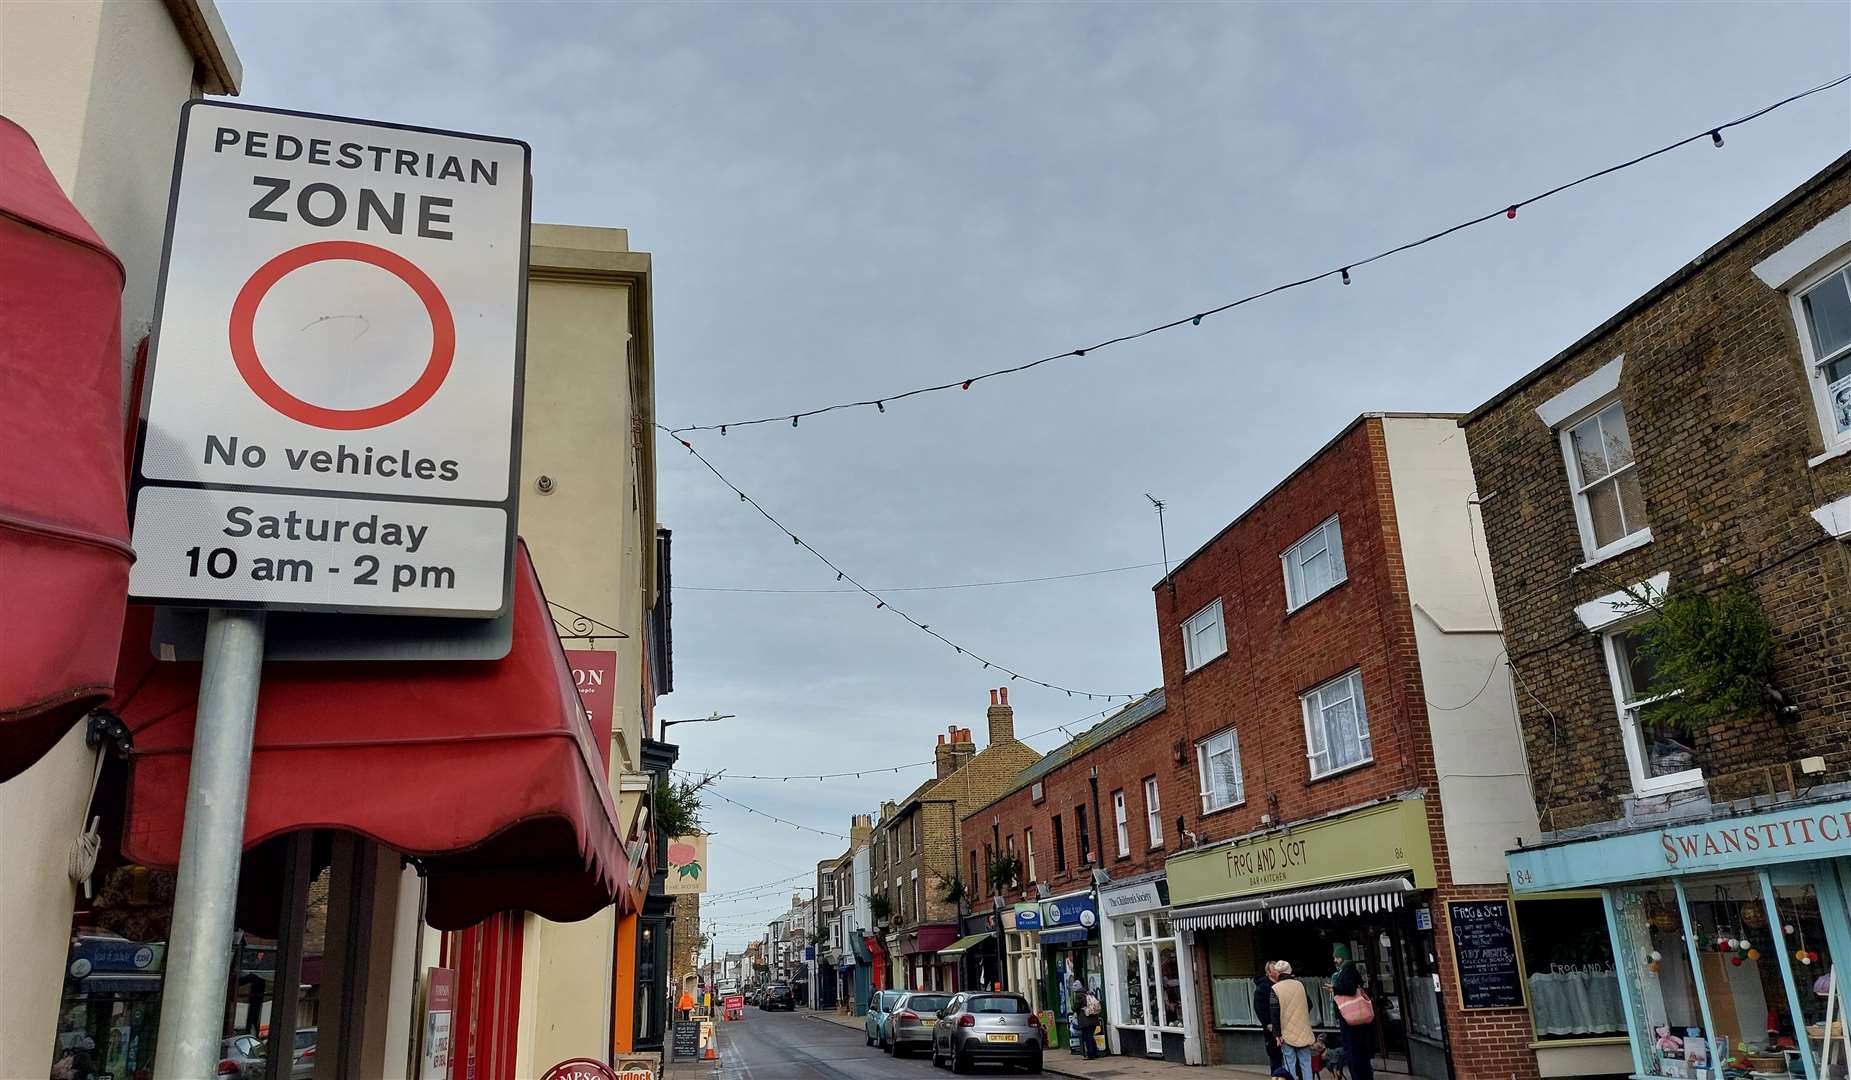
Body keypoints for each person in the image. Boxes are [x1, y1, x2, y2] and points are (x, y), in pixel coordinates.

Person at [1331, 945, 1375, 1080]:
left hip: (1351, 1017)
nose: (1334, 960)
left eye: (1336, 957)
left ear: (1342, 957)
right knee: (1358, 1050)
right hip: (1354, 1017)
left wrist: (1335, 989)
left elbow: (1350, 989)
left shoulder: (1348, 969)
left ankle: (1360, 1077)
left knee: (1353, 1050)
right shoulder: (1348, 970)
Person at [1270, 961, 1317, 1080]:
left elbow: (1274, 1013)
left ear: (1278, 973)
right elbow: (1309, 1004)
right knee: (1306, 1064)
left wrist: (1277, 1034)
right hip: (1303, 1030)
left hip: (1286, 1032)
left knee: (1289, 1064)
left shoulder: (1275, 989)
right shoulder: (1300, 985)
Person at [1254, 962, 1283, 1075]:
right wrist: (1267, 1024)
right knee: (1275, 1056)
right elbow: (1259, 1008)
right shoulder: (1263, 988)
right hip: (1272, 1028)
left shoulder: (1283, 984)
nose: (1277, 971)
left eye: (1277, 969)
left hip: (1286, 1025)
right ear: (1268, 973)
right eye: (1274, 970)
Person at [1079, 982, 1104, 1060]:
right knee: (1091, 1036)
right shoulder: (1092, 995)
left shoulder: (1080, 997)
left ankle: (1090, 1054)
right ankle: (1095, 1052)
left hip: (1085, 1021)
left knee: (1087, 1037)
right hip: (1094, 1020)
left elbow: (1075, 1007)